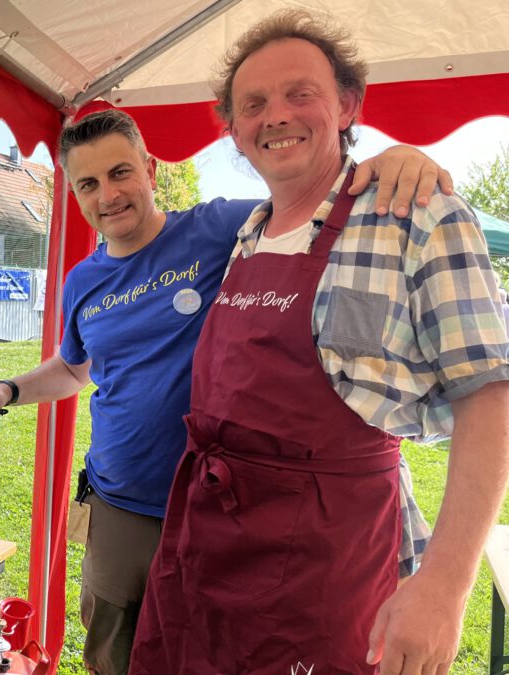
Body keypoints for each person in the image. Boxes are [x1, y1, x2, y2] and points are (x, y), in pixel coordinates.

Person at [0, 108, 450, 674]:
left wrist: (388, 165)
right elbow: (75, 369)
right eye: (88, 184)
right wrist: (7, 389)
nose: (108, 195)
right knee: (114, 648)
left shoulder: (217, 228)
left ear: (150, 170)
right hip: (120, 502)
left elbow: (313, 206)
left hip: (222, 503)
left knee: (208, 648)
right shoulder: (83, 281)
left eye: (121, 173)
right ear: (74, 192)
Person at [129, 10, 509, 675]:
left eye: (299, 93)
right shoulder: (246, 231)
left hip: (326, 573)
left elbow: (492, 394)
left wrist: (447, 586)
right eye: (254, 104)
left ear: (346, 105)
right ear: (236, 133)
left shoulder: (415, 212)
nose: (275, 115)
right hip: (207, 548)